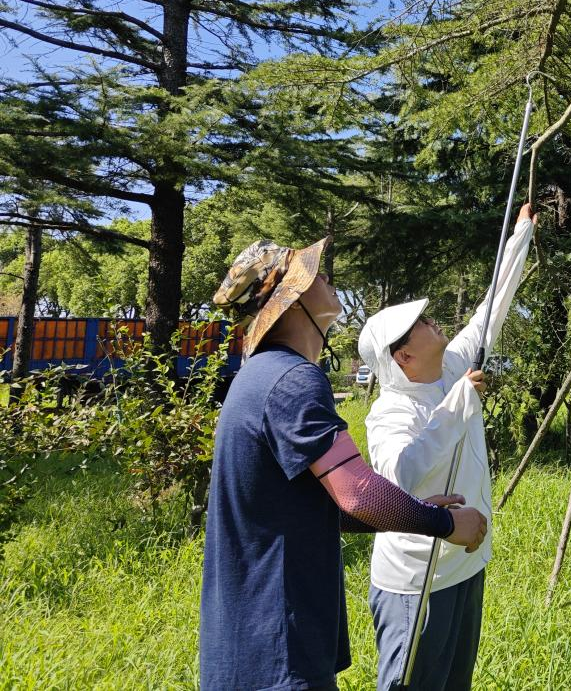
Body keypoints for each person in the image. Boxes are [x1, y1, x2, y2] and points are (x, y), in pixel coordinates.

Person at [200, 236, 488, 691]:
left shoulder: (262, 375)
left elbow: (328, 506)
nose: (327, 277)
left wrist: (413, 514)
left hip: (261, 634)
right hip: (277, 642)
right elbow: (359, 492)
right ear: (291, 303)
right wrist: (446, 525)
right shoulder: (293, 380)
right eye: (312, 275)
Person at [359, 203, 536, 691]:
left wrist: (521, 233)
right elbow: (399, 478)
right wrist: (459, 405)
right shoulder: (391, 412)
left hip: (467, 564)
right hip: (419, 584)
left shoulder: (452, 366)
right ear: (404, 355)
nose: (431, 319)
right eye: (419, 322)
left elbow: (492, 307)